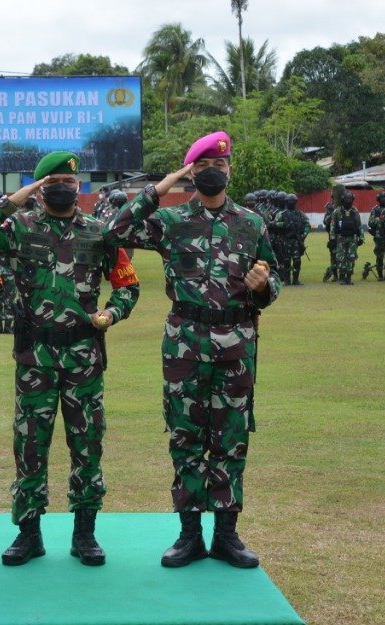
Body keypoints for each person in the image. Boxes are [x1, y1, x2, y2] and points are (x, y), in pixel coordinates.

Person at [106, 131, 281, 570]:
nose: (213, 172)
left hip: (237, 343)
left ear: (230, 170)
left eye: (220, 165)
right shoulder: (171, 220)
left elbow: (270, 278)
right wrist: (160, 187)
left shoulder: (251, 222)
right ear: (190, 173)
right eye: (202, 166)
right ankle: (189, 534)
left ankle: (226, 534)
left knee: (231, 438)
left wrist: (265, 288)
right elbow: (115, 230)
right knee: (185, 437)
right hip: (185, 343)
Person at [0, 151, 140, 567]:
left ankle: (85, 533)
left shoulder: (101, 232)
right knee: (30, 444)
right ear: (40, 187)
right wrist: (14, 199)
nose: (63, 186)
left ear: (79, 186)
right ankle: (28, 534)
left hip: (83, 356)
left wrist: (112, 313)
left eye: (69, 180)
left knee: (87, 444)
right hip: (35, 357)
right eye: (53, 180)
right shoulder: (19, 227)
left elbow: (127, 285)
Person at [329, 192, 362, 285]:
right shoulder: (337, 211)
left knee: (351, 258)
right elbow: (333, 225)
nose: (348, 201)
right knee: (341, 258)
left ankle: (349, 277)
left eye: (350, 199)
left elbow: (359, 225)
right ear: (343, 200)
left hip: (352, 238)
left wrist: (361, 237)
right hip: (340, 238)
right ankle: (343, 278)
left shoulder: (355, 212)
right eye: (347, 199)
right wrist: (332, 239)